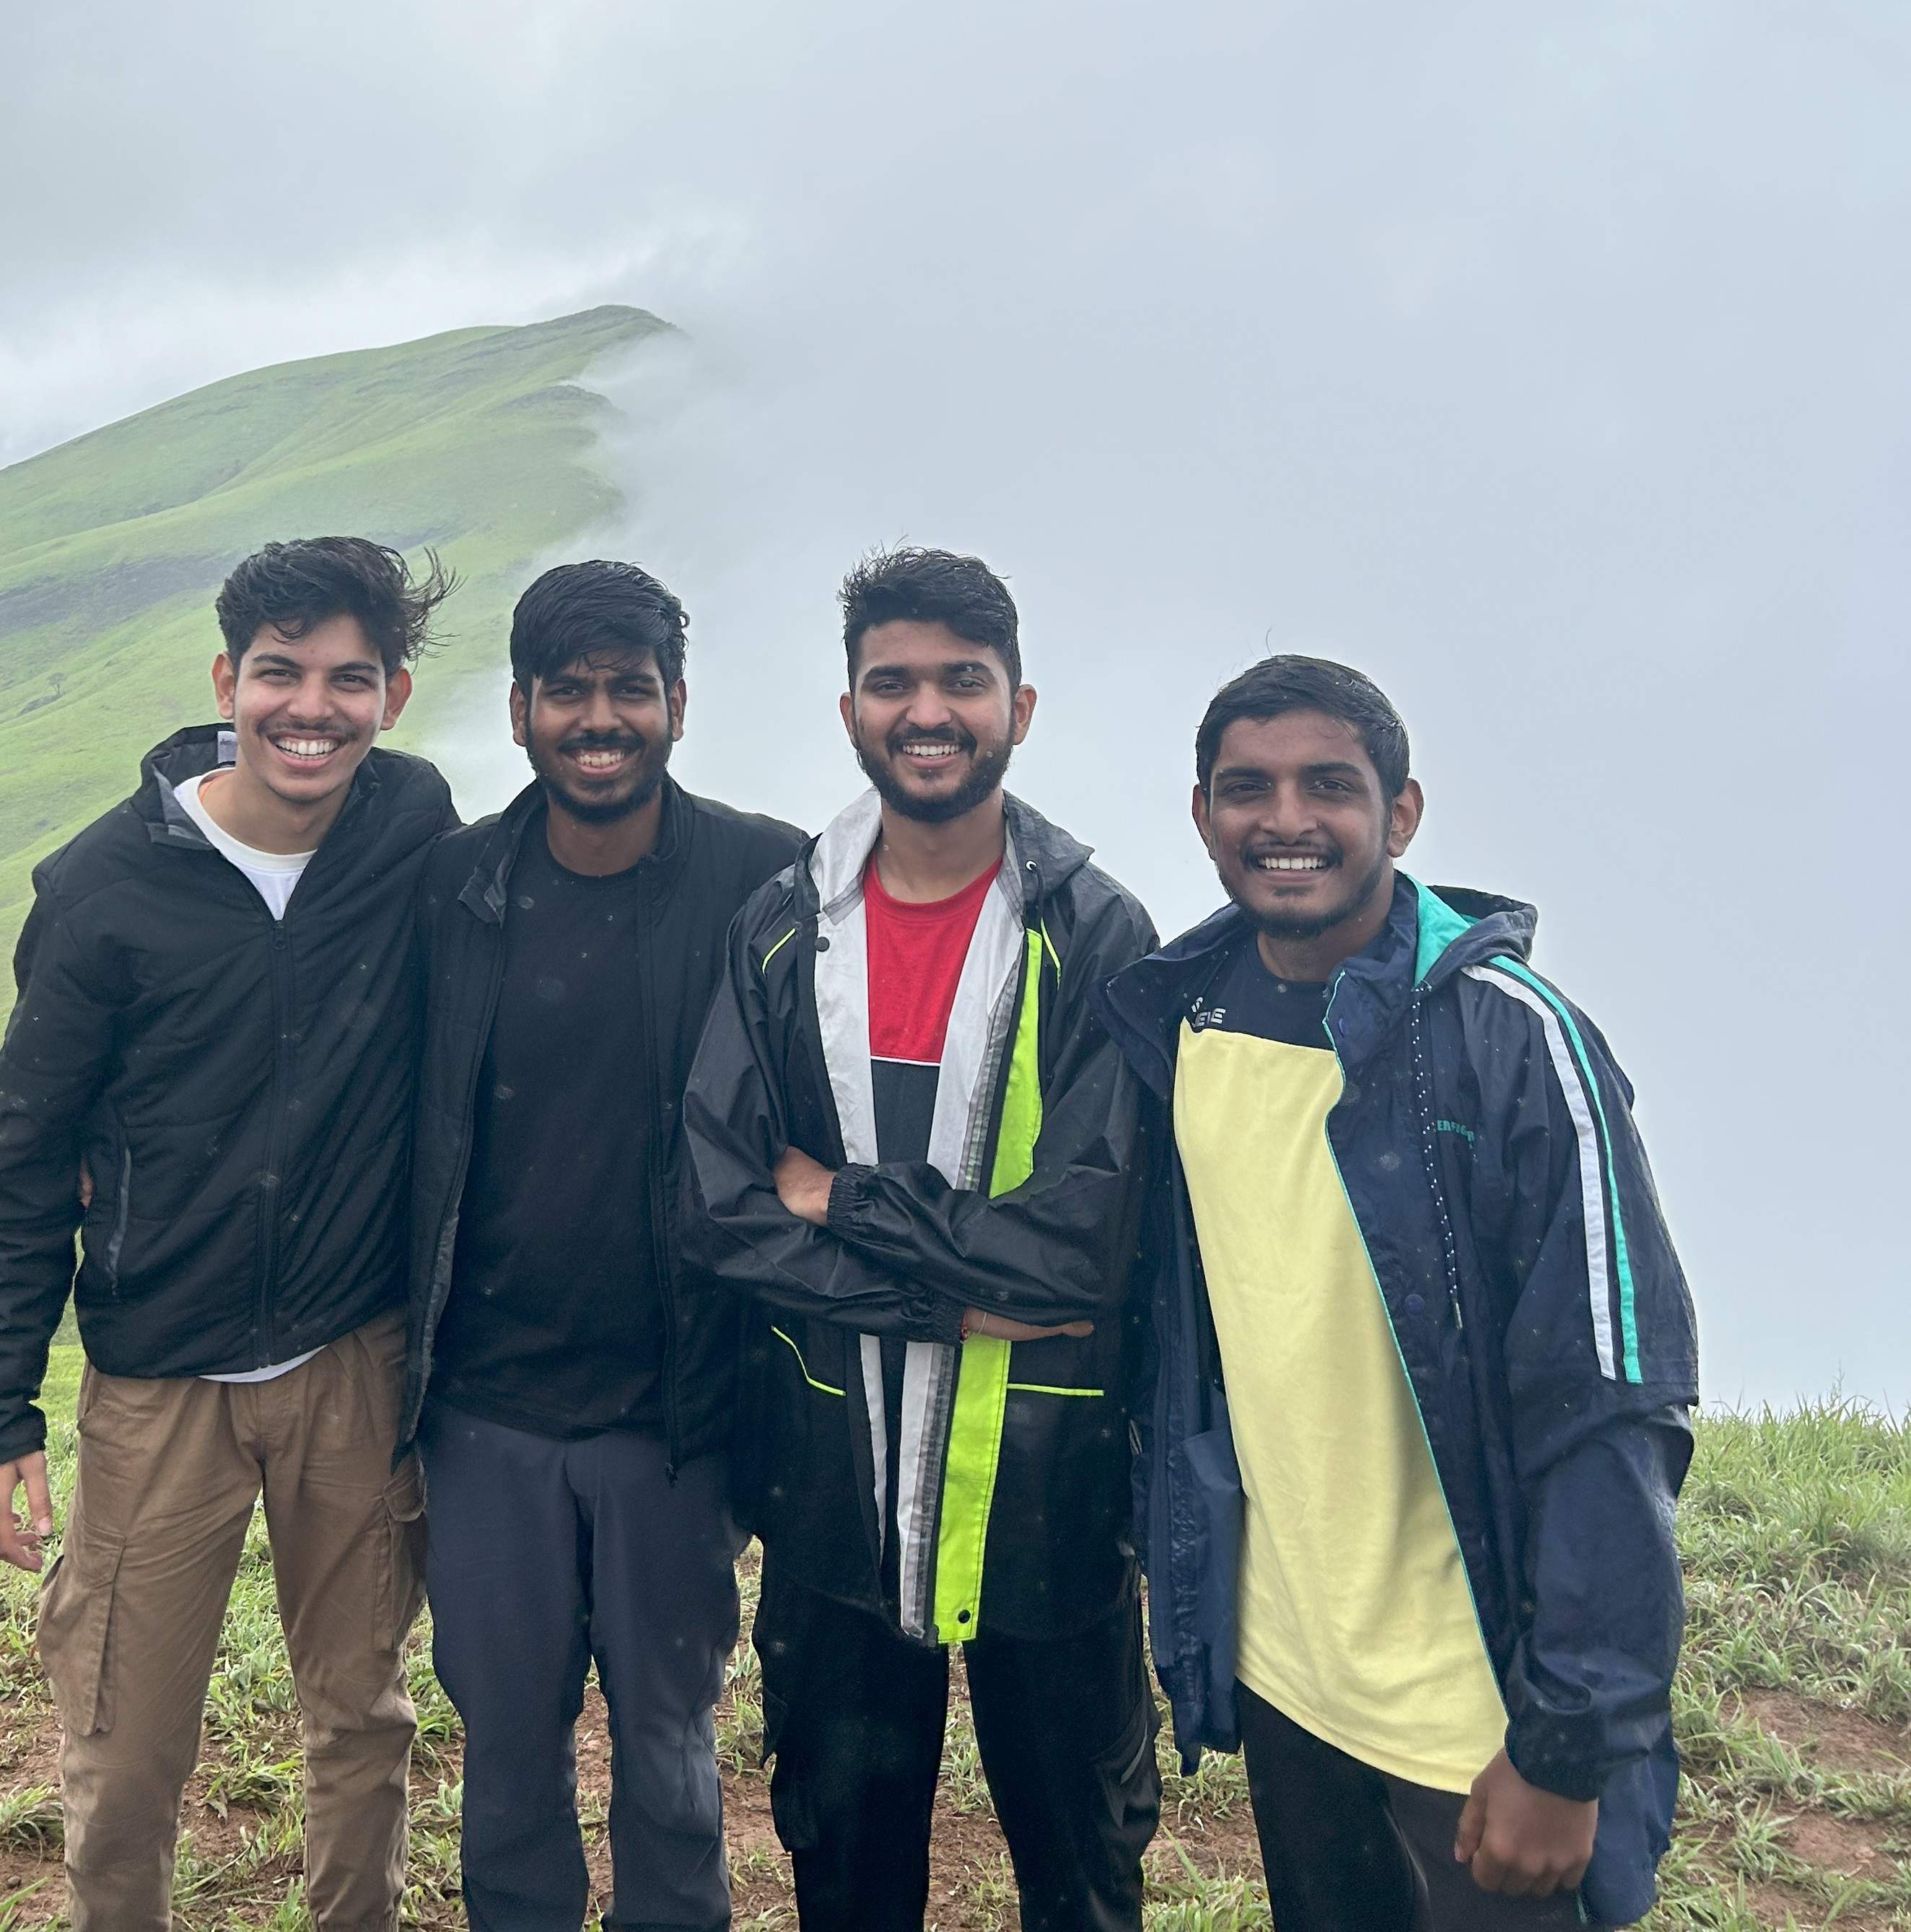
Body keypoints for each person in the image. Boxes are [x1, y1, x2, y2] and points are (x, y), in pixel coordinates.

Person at [1101, 655, 1698, 1932]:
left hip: (1474, 1709)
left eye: (1332, 785)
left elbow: (1612, 1408)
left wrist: (1568, 1746)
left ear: (1404, 812)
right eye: (1246, 788)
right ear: (1201, 814)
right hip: (1290, 1668)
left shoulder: (1510, 1043)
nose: (1287, 819)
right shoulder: (1187, 1018)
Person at [0, 536, 457, 1932]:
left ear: (394, 696)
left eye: (350, 679)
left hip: (355, 1366)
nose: (314, 708)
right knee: (123, 1749)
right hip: (158, 1384)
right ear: (226, 679)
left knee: (362, 1720)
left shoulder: (412, 828)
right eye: (281, 672)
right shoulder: (102, 886)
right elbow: (25, 1154)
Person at [685, 546, 1160, 1932]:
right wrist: (951, 1301)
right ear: (849, 711)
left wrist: (839, 1198)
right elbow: (714, 1207)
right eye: (893, 681)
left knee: (1079, 1872)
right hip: (832, 1488)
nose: (928, 709)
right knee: (845, 1865)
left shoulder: (1092, 935)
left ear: (1022, 708)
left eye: (965, 679)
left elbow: (1078, 1254)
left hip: (1051, 1495)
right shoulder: (783, 931)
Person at [401, 559, 805, 1932]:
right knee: (507, 1755)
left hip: (676, 1415)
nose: (598, 717)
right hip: (482, 1412)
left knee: (672, 1761)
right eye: (565, 690)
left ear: (677, 706)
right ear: (517, 712)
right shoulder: (452, 889)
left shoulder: (766, 876)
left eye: (628, 688)